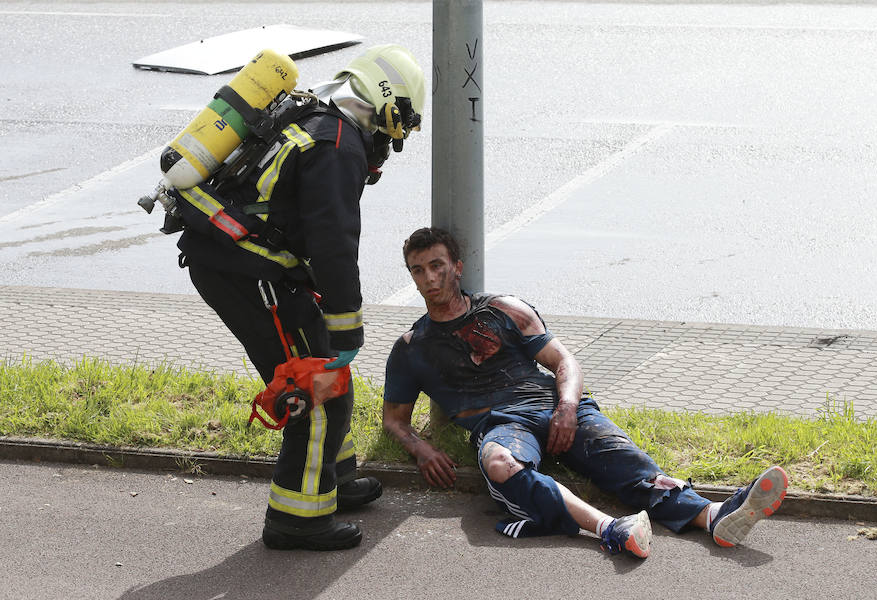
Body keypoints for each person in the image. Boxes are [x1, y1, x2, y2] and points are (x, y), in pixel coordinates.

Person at [382, 227, 788, 559]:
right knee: (500, 462)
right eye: (418, 271)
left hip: (554, 406)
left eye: (437, 266)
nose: (429, 278)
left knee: (626, 463)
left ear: (457, 266)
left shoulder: (505, 310)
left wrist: (568, 407)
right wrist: (421, 448)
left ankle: (714, 516)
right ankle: (611, 529)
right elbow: (394, 419)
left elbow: (565, 363)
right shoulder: (412, 346)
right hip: (501, 424)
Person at [171, 45, 426, 551]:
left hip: (249, 263)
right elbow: (334, 246)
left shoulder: (316, 117)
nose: (387, 144)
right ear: (383, 108)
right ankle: (298, 519)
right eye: (393, 129)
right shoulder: (338, 147)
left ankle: (332, 479)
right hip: (249, 274)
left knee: (328, 374)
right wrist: (347, 323)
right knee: (311, 390)